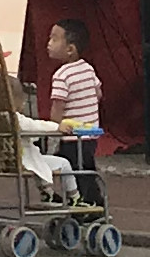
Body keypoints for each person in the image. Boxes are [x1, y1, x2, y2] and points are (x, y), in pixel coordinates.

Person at [41, 15, 106, 205]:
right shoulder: (88, 68)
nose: (48, 43)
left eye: (54, 39)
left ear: (70, 49)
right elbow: (98, 93)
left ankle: (83, 203)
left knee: (69, 169)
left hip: (71, 136)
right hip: (90, 133)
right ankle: (93, 202)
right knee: (85, 168)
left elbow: (58, 107)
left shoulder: (61, 76)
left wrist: (53, 128)